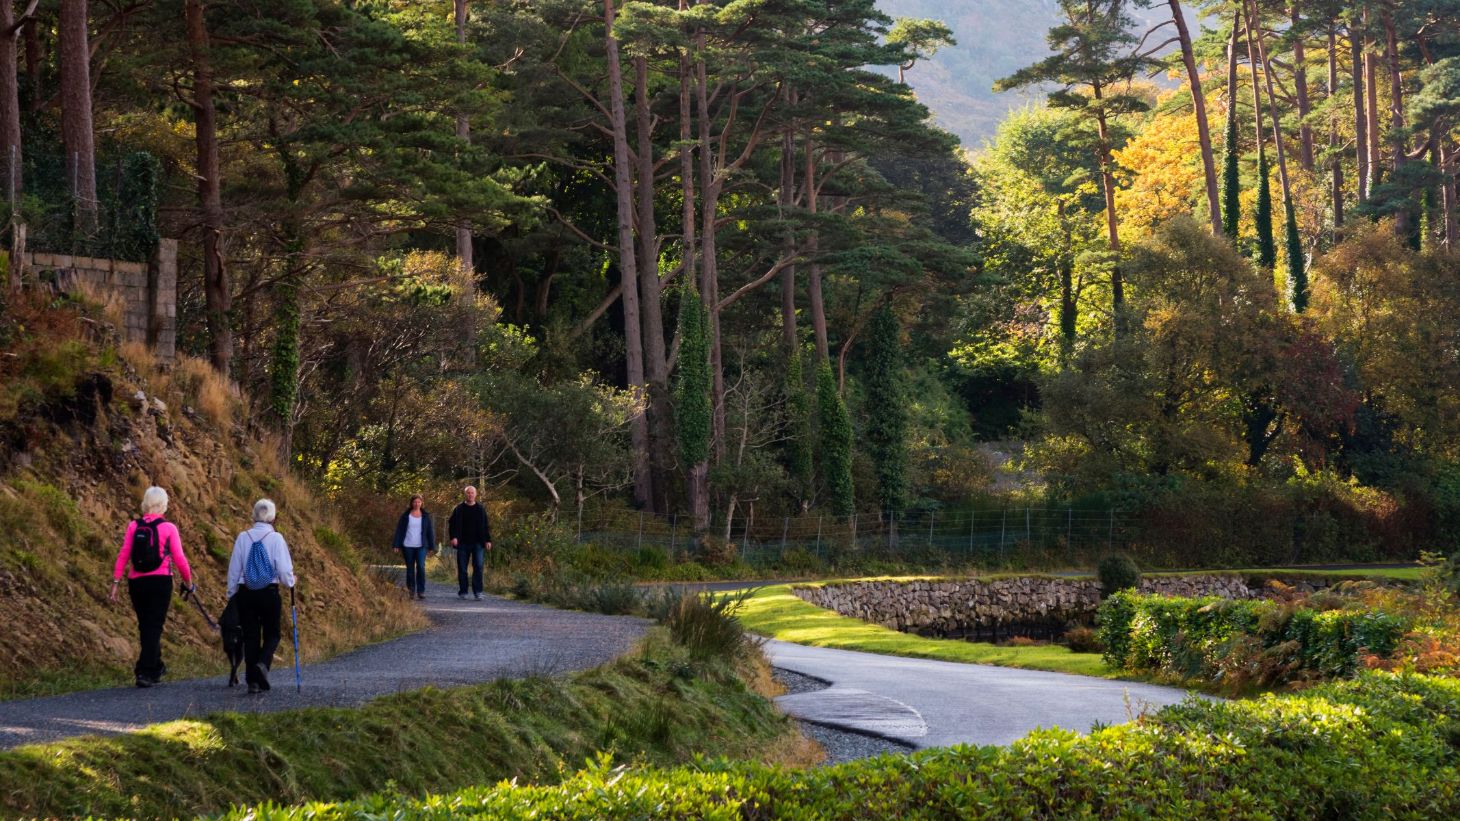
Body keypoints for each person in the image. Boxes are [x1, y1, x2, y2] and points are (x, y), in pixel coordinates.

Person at [110, 486, 193, 688]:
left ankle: (155, 666)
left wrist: (115, 582)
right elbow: (180, 559)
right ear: (164, 505)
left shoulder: (133, 526)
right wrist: (188, 583)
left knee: (146, 625)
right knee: (154, 626)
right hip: (160, 581)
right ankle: (144, 671)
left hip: (136, 582)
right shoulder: (169, 528)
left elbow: (124, 554)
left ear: (145, 503)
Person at [227, 498, 296, 694]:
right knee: (273, 633)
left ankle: (252, 681)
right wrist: (290, 582)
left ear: (254, 515)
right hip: (269, 592)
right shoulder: (276, 539)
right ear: (273, 518)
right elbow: (283, 569)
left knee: (250, 635)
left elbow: (234, 569)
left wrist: (231, 593)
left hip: (246, 592)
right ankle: (263, 664)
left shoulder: (243, 537)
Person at [447, 485, 492, 600]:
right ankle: (463, 591)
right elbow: (452, 524)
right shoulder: (459, 509)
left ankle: (478, 592)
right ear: (465, 494)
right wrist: (453, 537)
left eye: (472, 493)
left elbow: (486, 526)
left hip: (478, 542)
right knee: (462, 568)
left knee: (478, 566)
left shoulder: (480, 509)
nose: (470, 495)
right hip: (462, 543)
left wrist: (488, 540)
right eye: (468, 493)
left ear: (475, 494)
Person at [392, 494, 435, 600]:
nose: (417, 504)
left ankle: (421, 591)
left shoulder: (425, 516)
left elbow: (430, 532)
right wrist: (396, 544)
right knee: (410, 568)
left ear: (422, 503)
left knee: (420, 566)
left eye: (419, 502)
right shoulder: (406, 516)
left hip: (421, 545)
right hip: (407, 545)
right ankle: (411, 590)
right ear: (411, 503)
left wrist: (431, 546)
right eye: (415, 502)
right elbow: (399, 530)